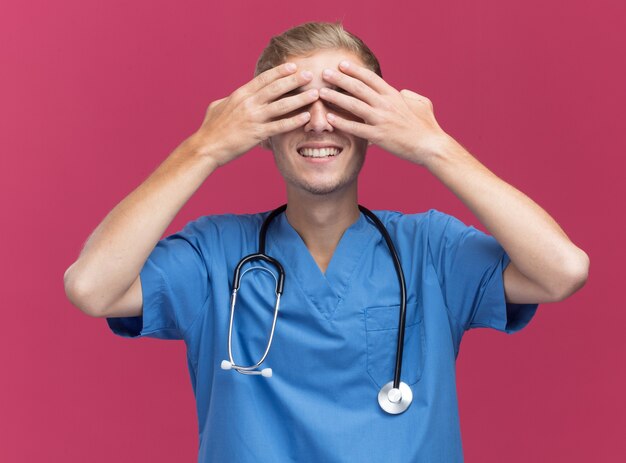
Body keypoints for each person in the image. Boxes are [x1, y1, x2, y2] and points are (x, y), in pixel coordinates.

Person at [64, 21, 589, 462]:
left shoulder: (431, 249)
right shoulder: (214, 255)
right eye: (294, 104)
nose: (318, 123)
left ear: (374, 125)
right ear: (262, 129)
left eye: (342, 102)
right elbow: (92, 287)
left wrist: (434, 145)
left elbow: (561, 270)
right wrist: (204, 147)